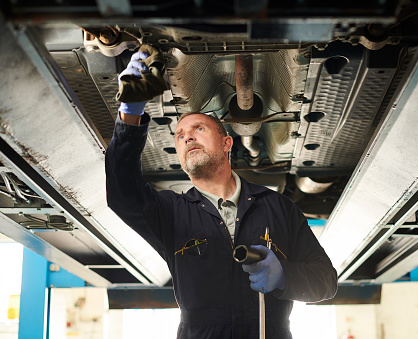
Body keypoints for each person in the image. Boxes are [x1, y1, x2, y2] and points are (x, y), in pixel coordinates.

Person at [105, 48, 337, 339]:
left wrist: (284, 276)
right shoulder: (170, 213)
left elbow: (326, 282)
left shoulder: (279, 208)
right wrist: (130, 113)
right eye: (179, 135)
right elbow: (121, 191)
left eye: (198, 128)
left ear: (227, 143)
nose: (187, 136)